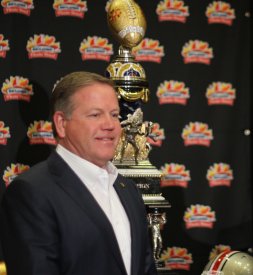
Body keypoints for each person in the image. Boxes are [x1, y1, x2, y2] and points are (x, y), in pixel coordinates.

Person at [0, 71, 157, 275]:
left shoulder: (128, 190)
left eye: (114, 115)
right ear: (61, 124)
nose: (110, 125)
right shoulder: (31, 193)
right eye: (95, 115)